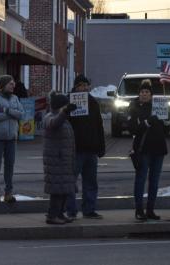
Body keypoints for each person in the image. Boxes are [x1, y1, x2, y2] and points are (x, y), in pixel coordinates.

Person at [65, 74, 106, 219]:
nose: (84, 87)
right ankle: (71, 210)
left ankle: (89, 209)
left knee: (91, 182)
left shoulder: (93, 102)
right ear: (76, 87)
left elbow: (99, 125)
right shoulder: (69, 102)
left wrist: (101, 146)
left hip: (91, 149)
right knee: (71, 181)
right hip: (75, 150)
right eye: (81, 85)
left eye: (86, 85)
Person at [128, 79, 167, 220]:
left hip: (159, 149)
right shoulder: (134, 107)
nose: (144, 94)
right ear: (139, 94)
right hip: (143, 149)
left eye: (147, 92)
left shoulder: (158, 107)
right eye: (142, 92)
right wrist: (146, 122)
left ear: (151, 95)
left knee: (154, 181)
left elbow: (166, 129)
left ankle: (150, 209)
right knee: (141, 179)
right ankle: (139, 210)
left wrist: (167, 120)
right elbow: (132, 128)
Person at [43, 93, 77, 224]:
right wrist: (64, 112)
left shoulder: (64, 118)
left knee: (64, 190)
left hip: (64, 160)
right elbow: (54, 123)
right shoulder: (50, 117)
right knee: (57, 191)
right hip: (56, 161)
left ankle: (60, 213)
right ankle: (52, 215)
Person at [0, 75, 24, 203]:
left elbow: (21, 114)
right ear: (3, 85)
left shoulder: (15, 98)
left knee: (10, 165)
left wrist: (7, 110)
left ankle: (8, 193)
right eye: (10, 83)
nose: (13, 85)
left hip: (12, 137)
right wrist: (12, 113)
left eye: (13, 83)